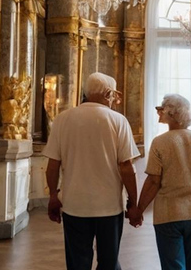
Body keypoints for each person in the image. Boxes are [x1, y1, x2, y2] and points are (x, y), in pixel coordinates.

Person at [44, 72, 141, 270]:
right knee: (109, 262)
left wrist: (54, 196)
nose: (114, 99)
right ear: (107, 93)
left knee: (77, 262)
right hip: (109, 206)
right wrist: (133, 202)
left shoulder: (62, 119)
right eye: (113, 95)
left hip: (74, 204)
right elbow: (126, 167)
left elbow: (53, 164)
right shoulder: (118, 120)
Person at [130, 94, 191, 270]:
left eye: (162, 108)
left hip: (169, 215)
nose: (159, 111)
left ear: (172, 113)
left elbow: (154, 181)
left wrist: (138, 210)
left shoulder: (160, 142)